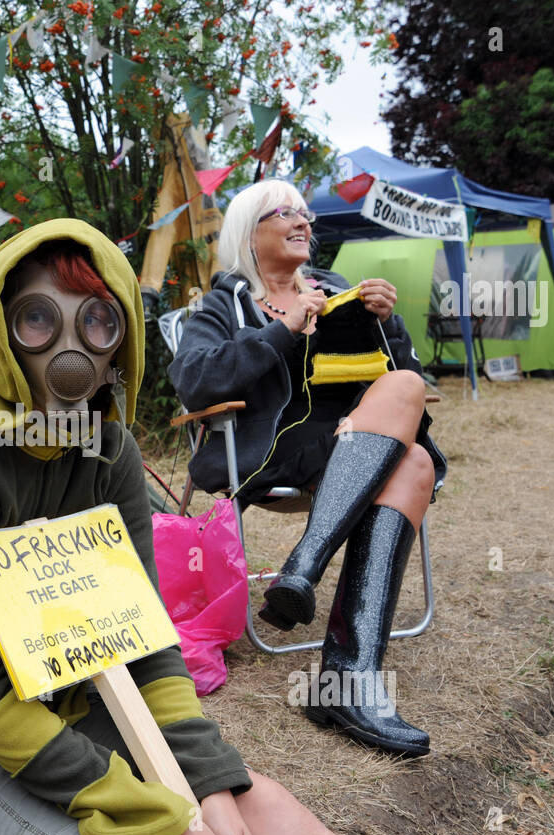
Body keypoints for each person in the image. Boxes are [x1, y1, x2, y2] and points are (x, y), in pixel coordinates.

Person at [0, 218, 372, 835]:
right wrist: (163, 817)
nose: (71, 350)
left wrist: (205, 785)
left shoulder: (106, 449)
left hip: (69, 709)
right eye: (37, 321)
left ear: (122, 344)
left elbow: (142, 639)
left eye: (97, 324)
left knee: (269, 821)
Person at [169, 179, 446, 757]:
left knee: (409, 415)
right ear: (251, 230)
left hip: (353, 446)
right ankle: (346, 671)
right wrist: (284, 326)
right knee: (411, 459)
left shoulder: (337, 289)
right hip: (271, 451)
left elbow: (406, 370)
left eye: (305, 213)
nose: (303, 221)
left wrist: (387, 324)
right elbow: (194, 381)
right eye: (285, 212)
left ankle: (310, 585)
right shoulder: (224, 304)